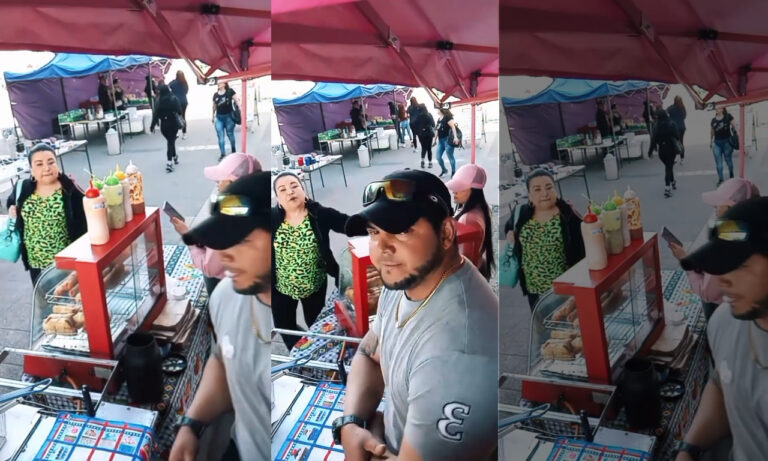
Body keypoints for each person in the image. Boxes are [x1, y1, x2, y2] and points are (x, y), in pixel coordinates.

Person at [338, 169, 497, 460]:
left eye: (402, 231)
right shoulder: (407, 279)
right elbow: (369, 353)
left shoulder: (459, 351)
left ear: (446, 233)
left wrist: (371, 435)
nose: (383, 248)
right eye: (374, 232)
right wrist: (352, 423)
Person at [169, 172, 271, 461]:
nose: (224, 255)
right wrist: (192, 424)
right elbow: (224, 357)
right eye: (224, 240)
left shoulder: (293, 336)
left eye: (242, 241)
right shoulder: (226, 295)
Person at [674, 197, 768, 461]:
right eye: (722, 264)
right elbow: (722, 382)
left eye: (740, 265)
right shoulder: (724, 321)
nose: (722, 280)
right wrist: (689, 449)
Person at [271, 171, 363, 350]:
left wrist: (380, 223)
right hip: (281, 288)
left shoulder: (320, 214)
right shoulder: (271, 219)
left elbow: (348, 224)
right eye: (282, 189)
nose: (290, 191)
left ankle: (312, 351)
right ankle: (298, 353)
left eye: (294, 186)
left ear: (303, 190)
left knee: (315, 325)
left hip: (314, 285)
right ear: (278, 199)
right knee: (285, 327)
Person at [170, 153, 262, 297]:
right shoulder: (257, 206)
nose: (217, 183)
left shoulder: (228, 217)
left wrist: (186, 235)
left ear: (233, 183)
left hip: (226, 286)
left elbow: (209, 268)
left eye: (220, 179)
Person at [668, 179, 760, 321]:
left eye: (719, 204)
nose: (716, 208)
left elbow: (707, 293)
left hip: (724, 312)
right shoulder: (755, 231)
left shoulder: (728, 242)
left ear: (732, 209)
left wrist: (684, 260)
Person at [5, 144, 86, 286]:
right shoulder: (22, 187)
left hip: (66, 264)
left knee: (69, 295)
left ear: (57, 164)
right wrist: (12, 212)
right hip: (35, 264)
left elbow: (85, 222)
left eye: (51, 162)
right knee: (42, 296)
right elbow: (11, 203)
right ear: (31, 169)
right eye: (39, 164)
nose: (47, 168)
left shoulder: (69, 190)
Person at [504, 169, 585, 310]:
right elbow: (509, 227)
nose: (544, 193)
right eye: (537, 189)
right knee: (541, 320)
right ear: (529, 194)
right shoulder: (520, 213)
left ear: (555, 189)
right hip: (533, 289)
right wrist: (509, 236)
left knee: (567, 319)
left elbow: (582, 248)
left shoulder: (567, 215)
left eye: (549, 187)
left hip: (565, 288)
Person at [446, 164, 494, 279]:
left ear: (473, 191)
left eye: (459, 187)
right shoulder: (481, 209)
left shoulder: (468, 219)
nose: (454, 191)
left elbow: (465, 263)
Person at [648, 109, 681, 198]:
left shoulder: (656, 126)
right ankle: (667, 188)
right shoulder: (672, 124)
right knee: (668, 167)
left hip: (661, 150)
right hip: (671, 149)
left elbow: (653, 140)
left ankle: (673, 182)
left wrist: (650, 152)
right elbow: (677, 136)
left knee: (668, 166)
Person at [151, 84, 183, 173]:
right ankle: (169, 163)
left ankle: (175, 156)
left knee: (170, 141)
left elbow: (155, 114)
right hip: (173, 123)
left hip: (164, 125)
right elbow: (179, 111)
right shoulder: (174, 99)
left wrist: (152, 126)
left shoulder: (158, 101)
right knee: (170, 142)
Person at [212, 81, 238, 161]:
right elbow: (214, 106)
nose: (218, 84)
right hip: (219, 117)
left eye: (220, 83)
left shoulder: (230, 91)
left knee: (230, 134)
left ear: (224, 84)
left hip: (229, 117)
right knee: (220, 136)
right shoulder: (215, 95)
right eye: (218, 83)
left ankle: (233, 150)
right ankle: (223, 154)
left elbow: (237, 100)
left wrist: (240, 109)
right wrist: (213, 116)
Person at [711, 106, 736, 186]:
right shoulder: (713, 120)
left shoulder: (728, 116)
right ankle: (721, 179)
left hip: (727, 142)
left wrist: (736, 132)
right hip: (717, 143)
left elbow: (734, 124)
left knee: (728, 160)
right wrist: (711, 141)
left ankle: (731, 175)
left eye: (718, 108)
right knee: (718, 162)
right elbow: (712, 131)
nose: (716, 109)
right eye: (716, 108)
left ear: (722, 109)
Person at [435, 108, 460, 178]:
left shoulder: (447, 117)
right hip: (440, 141)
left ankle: (453, 172)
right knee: (438, 157)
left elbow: (453, 127)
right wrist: (434, 140)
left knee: (450, 157)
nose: (437, 111)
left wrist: (455, 137)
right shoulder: (439, 119)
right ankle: (444, 170)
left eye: (438, 109)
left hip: (447, 140)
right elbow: (437, 130)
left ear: (441, 110)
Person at [667, 95, 687, 164]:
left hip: (674, 128)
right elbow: (684, 117)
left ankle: (674, 158)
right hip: (682, 127)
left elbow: (666, 114)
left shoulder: (670, 108)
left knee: (674, 142)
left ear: (674, 100)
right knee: (681, 142)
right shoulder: (683, 107)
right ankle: (682, 158)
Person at [169, 70, 189, 140]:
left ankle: (176, 133)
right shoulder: (185, 82)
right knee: (183, 117)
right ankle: (184, 133)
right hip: (184, 101)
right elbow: (186, 91)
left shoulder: (173, 83)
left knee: (176, 117)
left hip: (176, 102)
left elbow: (168, 88)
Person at [415, 104, 435, 169]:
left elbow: (414, 124)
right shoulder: (429, 115)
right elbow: (433, 124)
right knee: (429, 148)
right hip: (429, 134)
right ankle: (430, 163)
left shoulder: (417, 116)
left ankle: (422, 161)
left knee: (423, 147)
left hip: (421, 134)